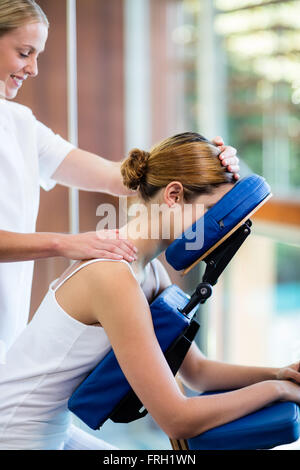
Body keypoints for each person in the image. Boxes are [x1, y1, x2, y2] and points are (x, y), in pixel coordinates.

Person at [0, 132, 298, 451]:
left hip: (49, 428)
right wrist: (277, 390)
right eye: (211, 210)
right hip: (15, 434)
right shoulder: (113, 276)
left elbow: (198, 372)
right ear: (173, 195)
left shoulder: (149, 271)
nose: (216, 228)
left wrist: (280, 373)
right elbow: (176, 418)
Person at [0, 0, 240, 353]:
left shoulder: (21, 126)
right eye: (25, 52)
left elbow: (122, 177)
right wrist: (65, 243)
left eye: (38, 55)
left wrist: (208, 165)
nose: (34, 68)